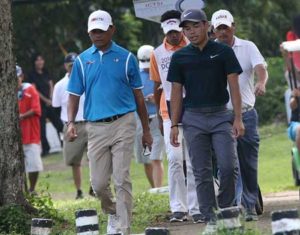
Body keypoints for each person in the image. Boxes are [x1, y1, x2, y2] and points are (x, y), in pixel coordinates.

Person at [66, 10, 152, 235]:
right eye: (93, 31)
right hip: (95, 126)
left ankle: (124, 228)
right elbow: (73, 95)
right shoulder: (83, 61)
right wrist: (70, 123)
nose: (97, 35)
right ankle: (112, 211)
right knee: (98, 184)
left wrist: (146, 131)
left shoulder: (126, 58)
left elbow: (139, 97)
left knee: (121, 177)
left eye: (102, 31)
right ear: (88, 33)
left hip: (124, 122)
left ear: (112, 29)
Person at [167, 9, 244, 231]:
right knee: (201, 171)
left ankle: (227, 209)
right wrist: (174, 124)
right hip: (193, 118)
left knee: (228, 166)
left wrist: (238, 118)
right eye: (186, 28)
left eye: (195, 26)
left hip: (221, 115)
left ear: (206, 25)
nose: (191, 32)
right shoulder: (179, 57)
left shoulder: (223, 52)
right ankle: (211, 218)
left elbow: (234, 87)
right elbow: (175, 93)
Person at [211, 9, 269, 221]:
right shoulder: (209, 51)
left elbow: (260, 67)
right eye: (219, 28)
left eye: (226, 27)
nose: (223, 32)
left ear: (233, 26)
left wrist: (261, 82)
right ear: (213, 30)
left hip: (247, 114)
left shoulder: (248, 46)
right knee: (230, 162)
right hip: (221, 116)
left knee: (248, 163)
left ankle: (250, 202)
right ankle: (239, 206)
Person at [150, 10, 202, 223]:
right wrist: (160, 116)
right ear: (164, 31)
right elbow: (156, 86)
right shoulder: (157, 53)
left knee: (192, 160)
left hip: (192, 108)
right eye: (169, 32)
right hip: (168, 111)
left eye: (176, 31)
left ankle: (196, 207)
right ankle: (178, 208)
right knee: (173, 159)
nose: (173, 36)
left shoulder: (193, 47)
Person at [52, 52, 93, 199]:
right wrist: (63, 127)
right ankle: (79, 191)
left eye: (75, 65)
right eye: (70, 65)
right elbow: (56, 108)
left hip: (90, 122)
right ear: (65, 66)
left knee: (94, 157)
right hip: (72, 124)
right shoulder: (60, 85)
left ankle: (93, 187)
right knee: (74, 161)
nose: (73, 68)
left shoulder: (88, 79)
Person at [135, 45, 165, 188]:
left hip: (158, 118)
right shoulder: (135, 75)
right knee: (146, 159)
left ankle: (159, 189)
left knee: (155, 158)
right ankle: (154, 189)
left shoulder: (162, 72)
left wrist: (158, 98)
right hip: (141, 121)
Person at [27, 54, 63, 156]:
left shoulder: (46, 72)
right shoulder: (31, 75)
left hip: (50, 103)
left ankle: (67, 142)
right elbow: (34, 90)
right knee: (42, 128)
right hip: (40, 104)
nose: (40, 62)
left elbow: (51, 85)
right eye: (37, 60)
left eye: (41, 60)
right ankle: (45, 150)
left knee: (59, 124)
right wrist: (45, 100)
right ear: (34, 62)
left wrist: (51, 98)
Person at [17, 65, 43, 193]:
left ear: (21, 77)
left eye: (17, 78)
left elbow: (36, 109)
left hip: (31, 134)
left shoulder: (30, 89)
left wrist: (20, 116)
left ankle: (32, 189)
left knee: (34, 165)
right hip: (15, 137)